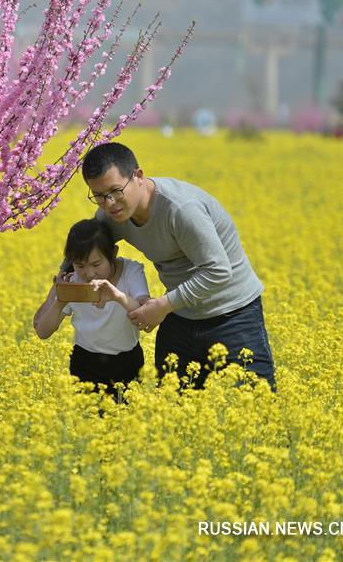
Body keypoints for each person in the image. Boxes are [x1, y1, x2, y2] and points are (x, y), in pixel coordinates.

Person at [80, 142, 276, 389]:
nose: (109, 203)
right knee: (174, 412)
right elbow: (86, 247)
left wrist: (162, 306)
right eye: (98, 196)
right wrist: (65, 280)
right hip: (181, 316)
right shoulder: (113, 215)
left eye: (115, 191)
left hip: (232, 315)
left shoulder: (181, 210)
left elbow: (218, 271)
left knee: (256, 407)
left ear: (138, 176)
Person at [34, 219, 150, 399]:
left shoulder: (131, 271)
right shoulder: (74, 280)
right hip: (85, 364)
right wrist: (60, 300)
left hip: (128, 362)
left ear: (113, 253)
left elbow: (145, 314)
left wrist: (117, 296)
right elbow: (42, 331)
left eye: (96, 264)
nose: (88, 273)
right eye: (80, 265)